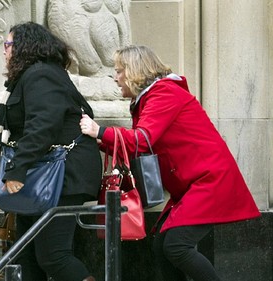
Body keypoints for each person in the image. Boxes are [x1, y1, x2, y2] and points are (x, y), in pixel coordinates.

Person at [79, 45, 261, 281]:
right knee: (164, 246)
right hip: (193, 184)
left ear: (134, 71)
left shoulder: (164, 93)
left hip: (209, 180)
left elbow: (142, 140)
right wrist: (101, 140)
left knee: (176, 245)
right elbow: (138, 145)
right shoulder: (149, 98)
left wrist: (100, 131)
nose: (116, 78)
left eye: (119, 70)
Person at [0, 22, 102, 281]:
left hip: (63, 175)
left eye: (8, 45)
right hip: (44, 175)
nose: (4, 51)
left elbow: (42, 126)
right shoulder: (33, 76)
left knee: (54, 256)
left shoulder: (41, 75)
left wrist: (17, 170)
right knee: (27, 257)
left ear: (24, 47)